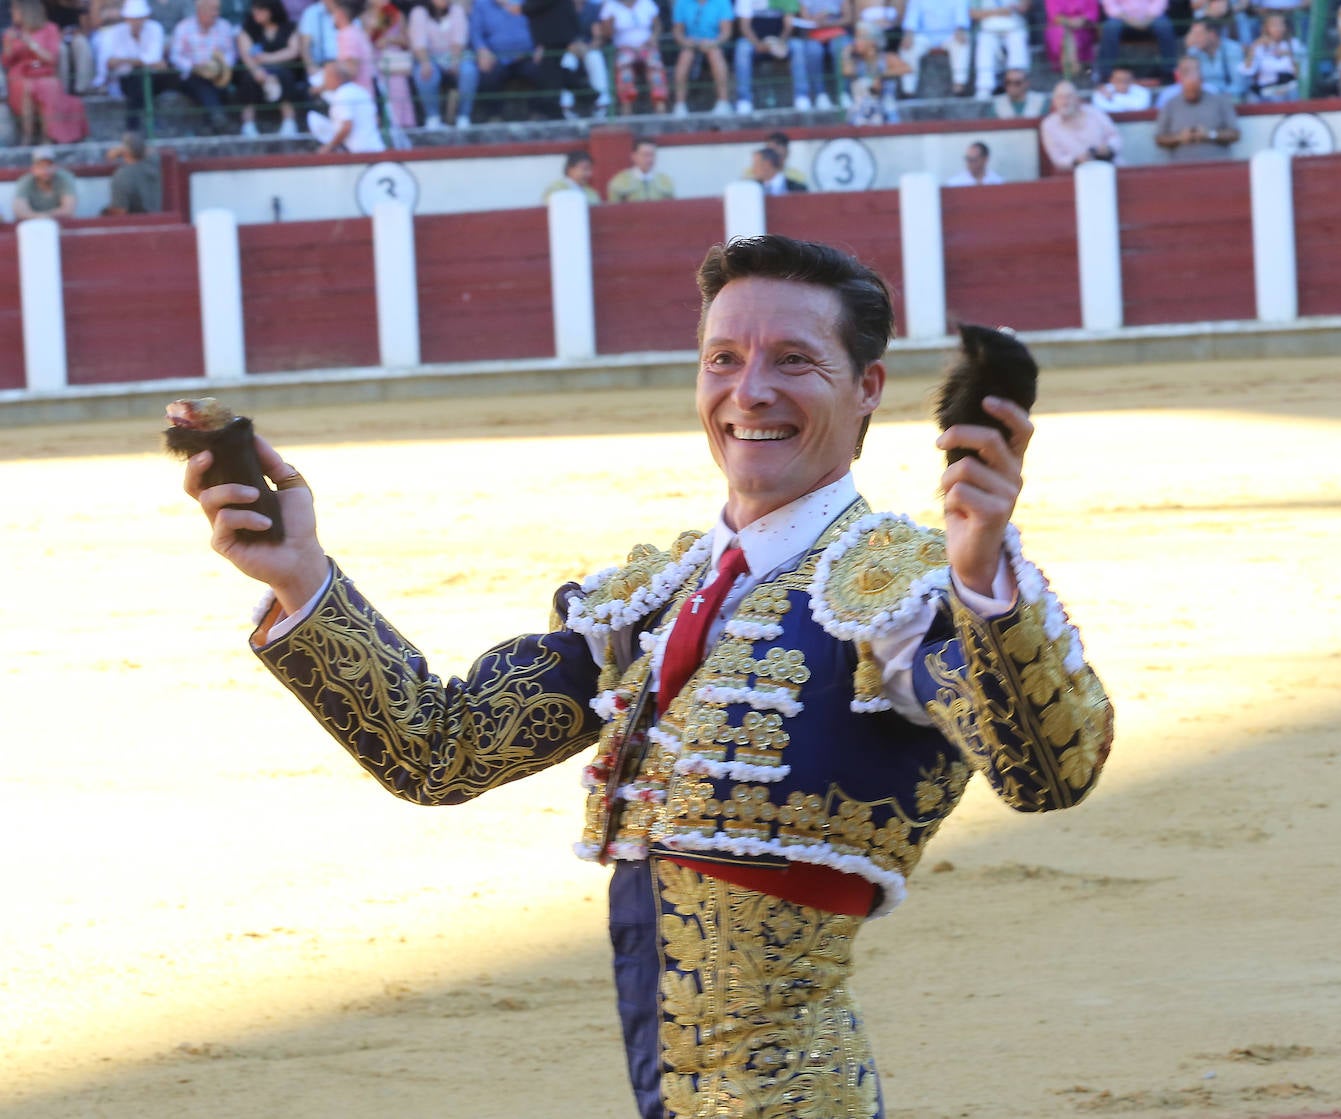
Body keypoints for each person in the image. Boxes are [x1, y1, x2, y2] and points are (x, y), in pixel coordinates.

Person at [181, 233, 1113, 1119]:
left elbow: (1049, 768)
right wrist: (303, 576)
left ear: (867, 387)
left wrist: (985, 576)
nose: (750, 390)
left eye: (794, 360)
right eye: (722, 359)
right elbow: (442, 749)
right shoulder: (656, 595)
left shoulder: (902, 587)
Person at [456, 0, 555, 127]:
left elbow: (540, 22)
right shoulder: (481, 4)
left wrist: (541, 45)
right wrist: (482, 50)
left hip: (526, 55)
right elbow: (475, 32)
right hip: (496, 56)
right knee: (488, 74)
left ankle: (538, 114)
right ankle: (494, 116)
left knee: (544, 68)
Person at [3, 0, 88, 143]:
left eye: (16, 10)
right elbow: (6, 61)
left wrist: (30, 43)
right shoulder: (11, 33)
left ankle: (47, 135)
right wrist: (8, 46)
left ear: (27, 11)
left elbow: (51, 58)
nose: (12, 13)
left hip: (43, 71)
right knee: (26, 87)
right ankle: (27, 136)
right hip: (20, 74)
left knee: (46, 87)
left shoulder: (50, 29)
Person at [524, 0, 611, 121]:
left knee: (590, 59)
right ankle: (578, 102)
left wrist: (578, 42)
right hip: (553, 41)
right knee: (559, 69)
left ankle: (598, 101)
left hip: (564, 40)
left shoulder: (589, 8)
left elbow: (528, 8)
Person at [103, 0, 175, 129]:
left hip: (152, 80)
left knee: (143, 80)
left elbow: (154, 58)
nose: (136, 22)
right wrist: (143, 62)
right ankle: (148, 120)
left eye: (139, 18)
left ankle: (133, 128)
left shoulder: (155, 28)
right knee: (138, 81)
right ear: (126, 18)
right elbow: (112, 63)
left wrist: (127, 61)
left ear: (146, 17)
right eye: (132, 18)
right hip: (129, 80)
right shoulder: (116, 33)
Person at [236, 0, 304, 136]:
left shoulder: (289, 27)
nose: (256, 13)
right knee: (250, 78)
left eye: (260, 10)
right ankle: (248, 124)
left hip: (283, 69)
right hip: (255, 70)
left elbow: (293, 51)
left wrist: (267, 58)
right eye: (255, 9)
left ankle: (289, 121)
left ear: (271, 10)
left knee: (283, 75)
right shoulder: (248, 29)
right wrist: (256, 70)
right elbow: (246, 53)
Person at [169, 0, 238, 132]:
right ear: (200, 10)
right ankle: (216, 116)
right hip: (192, 76)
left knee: (217, 84)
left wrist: (219, 66)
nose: (216, 13)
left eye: (217, 9)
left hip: (219, 74)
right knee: (201, 83)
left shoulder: (224, 26)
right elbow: (175, 56)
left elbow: (231, 53)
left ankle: (211, 123)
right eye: (212, 9)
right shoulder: (183, 27)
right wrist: (194, 66)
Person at [1155, 53, 1237, 158]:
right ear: (1178, 73)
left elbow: (1235, 133)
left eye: (1195, 69)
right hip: (1181, 167)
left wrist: (1210, 135)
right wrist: (1179, 138)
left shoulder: (1216, 94)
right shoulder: (1168, 98)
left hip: (1217, 164)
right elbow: (1159, 138)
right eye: (1186, 71)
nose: (1191, 74)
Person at [600, 0, 668, 114]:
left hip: (646, 46)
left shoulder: (646, 3)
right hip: (624, 48)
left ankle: (660, 106)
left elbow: (658, 26)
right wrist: (610, 24)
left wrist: (653, 38)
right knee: (624, 67)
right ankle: (627, 109)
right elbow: (606, 35)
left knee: (655, 65)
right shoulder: (610, 6)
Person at [732, 0, 799, 114]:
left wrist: (779, 42)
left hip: (780, 41)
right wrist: (757, 44)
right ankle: (744, 100)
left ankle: (802, 97)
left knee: (798, 46)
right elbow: (744, 26)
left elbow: (789, 25)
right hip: (754, 42)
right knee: (742, 47)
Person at [1039, 77, 1121, 171]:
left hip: (1108, 166)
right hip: (1073, 174)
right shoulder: (1049, 125)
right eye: (1060, 97)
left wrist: (1109, 148)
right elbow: (1057, 158)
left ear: (1077, 99)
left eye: (1069, 96)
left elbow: (1115, 137)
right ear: (1054, 101)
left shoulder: (1095, 112)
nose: (1065, 102)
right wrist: (1076, 161)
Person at [408, 0, 467, 127]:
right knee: (424, 74)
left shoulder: (457, 10)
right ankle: (433, 117)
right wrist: (425, 62)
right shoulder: (419, 12)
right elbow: (419, 43)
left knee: (469, 71)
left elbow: (459, 39)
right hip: (430, 58)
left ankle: (464, 116)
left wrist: (455, 61)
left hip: (454, 57)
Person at [670, 0, 734, 115]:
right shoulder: (681, 3)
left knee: (715, 54)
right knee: (685, 56)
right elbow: (677, 31)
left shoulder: (722, 2)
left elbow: (726, 32)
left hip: (714, 43)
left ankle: (723, 102)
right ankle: (680, 105)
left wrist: (714, 42)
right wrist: (685, 42)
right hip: (690, 43)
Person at [306, 55, 383, 148]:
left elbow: (347, 127)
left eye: (326, 76)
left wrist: (327, 148)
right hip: (375, 147)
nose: (324, 81)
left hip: (360, 152)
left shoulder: (342, 95)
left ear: (336, 77)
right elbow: (377, 120)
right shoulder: (360, 90)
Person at [898, 0, 971, 97]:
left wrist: (960, 29)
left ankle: (959, 86)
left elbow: (961, 19)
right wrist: (908, 35)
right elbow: (911, 20)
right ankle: (908, 91)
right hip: (924, 36)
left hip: (950, 35)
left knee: (962, 43)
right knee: (907, 47)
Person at [1094, 0, 1176, 82]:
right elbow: (1110, 4)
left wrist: (1148, 18)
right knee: (1110, 27)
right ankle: (1106, 74)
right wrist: (1129, 19)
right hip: (1122, 18)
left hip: (1150, 18)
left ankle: (1169, 72)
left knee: (1164, 26)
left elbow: (1160, 2)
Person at [363, 0, 414, 129]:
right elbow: (363, 41)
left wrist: (389, 39)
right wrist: (372, 28)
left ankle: (402, 125)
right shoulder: (365, 16)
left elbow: (407, 41)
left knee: (398, 85)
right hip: (372, 59)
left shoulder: (395, 14)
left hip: (393, 61)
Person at [791, 0, 849, 108]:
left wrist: (829, 23)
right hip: (813, 34)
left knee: (839, 48)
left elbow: (849, 17)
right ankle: (820, 94)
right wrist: (819, 19)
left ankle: (844, 92)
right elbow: (805, 20)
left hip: (836, 33)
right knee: (814, 51)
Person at [968, 0, 1029, 99]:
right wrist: (998, 12)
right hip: (988, 28)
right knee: (984, 42)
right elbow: (972, 13)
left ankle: (1017, 82)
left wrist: (1017, 7)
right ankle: (984, 88)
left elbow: (1025, 6)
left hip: (1013, 26)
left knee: (1017, 40)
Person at [1241, 11, 1304, 101]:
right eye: (1274, 25)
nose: (1278, 28)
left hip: (1287, 87)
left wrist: (1288, 53)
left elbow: (1298, 72)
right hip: (1265, 88)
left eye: (1280, 24)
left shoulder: (1294, 43)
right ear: (1266, 28)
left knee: (1283, 95)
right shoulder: (1258, 46)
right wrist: (1253, 48)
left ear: (1286, 27)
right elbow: (1247, 70)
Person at [103, 129, 162, 212]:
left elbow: (119, 211)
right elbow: (150, 152)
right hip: (157, 217)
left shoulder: (122, 175)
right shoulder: (153, 163)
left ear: (124, 151)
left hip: (138, 222)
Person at [11, 145, 78, 218]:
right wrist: (42, 217)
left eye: (49, 165)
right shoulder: (25, 181)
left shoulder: (65, 178)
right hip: (32, 225)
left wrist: (42, 216)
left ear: (55, 167)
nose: (45, 170)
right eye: (40, 166)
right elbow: (20, 211)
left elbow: (68, 210)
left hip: (59, 224)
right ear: (33, 169)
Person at [606, 135, 673, 201]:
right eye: (645, 155)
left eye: (652, 155)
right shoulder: (620, 181)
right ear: (634, 156)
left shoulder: (665, 181)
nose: (649, 159)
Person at [1044, 0, 1098, 78]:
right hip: (1059, 27)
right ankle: (1073, 69)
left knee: (1071, 35)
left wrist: (1080, 20)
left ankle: (1069, 73)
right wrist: (1069, 23)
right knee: (1063, 33)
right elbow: (1054, 15)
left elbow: (1092, 13)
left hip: (1082, 27)